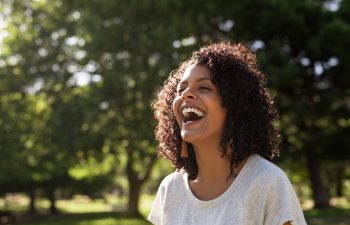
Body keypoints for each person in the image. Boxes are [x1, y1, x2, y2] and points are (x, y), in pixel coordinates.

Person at [148, 41, 307, 225]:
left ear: (235, 105)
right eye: (181, 89)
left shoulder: (268, 182)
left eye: (204, 87)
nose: (185, 94)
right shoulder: (170, 190)